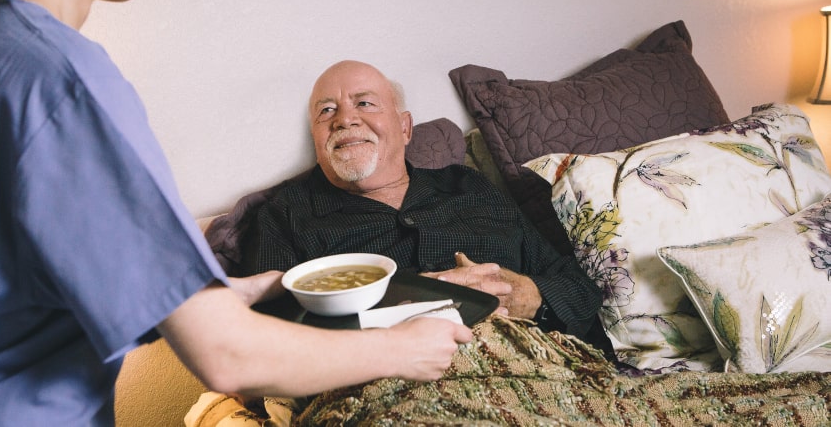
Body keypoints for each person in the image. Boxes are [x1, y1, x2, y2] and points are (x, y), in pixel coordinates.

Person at [0, 0, 472, 425]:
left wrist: (229, 293)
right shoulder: (62, 78)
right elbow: (227, 356)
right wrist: (405, 347)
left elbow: (21, 281)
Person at [238, 60, 603, 339]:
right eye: (326, 111)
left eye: (365, 103)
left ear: (405, 127)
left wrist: (527, 296)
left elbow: (579, 290)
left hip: (533, 360)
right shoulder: (284, 215)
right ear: (317, 136)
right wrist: (406, 307)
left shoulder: (468, 187)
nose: (345, 120)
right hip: (396, 382)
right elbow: (266, 337)